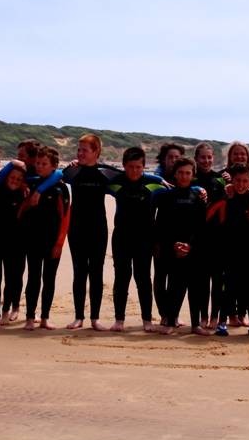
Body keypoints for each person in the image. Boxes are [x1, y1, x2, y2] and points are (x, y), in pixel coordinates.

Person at [60, 134, 117, 331]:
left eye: (85, 150)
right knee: (79, 272)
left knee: (96, 273)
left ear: (96, 152)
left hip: (98, 229)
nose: (80, 153)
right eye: (79, 149)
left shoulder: (105, 173)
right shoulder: (72, 172)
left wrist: (160, 179)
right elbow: (53, 175)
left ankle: (95, 318)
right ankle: (78, 317)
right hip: (76, 229)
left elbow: (135, 176)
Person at [107, 147, 166, 332]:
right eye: (131, 167)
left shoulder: (153, 183)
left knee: (143, 279)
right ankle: (119, 320)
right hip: (121, 238)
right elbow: (96, 176)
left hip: (144, 239)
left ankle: (147, 320)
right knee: (121, 278)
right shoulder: (116, 182)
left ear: (144, 166)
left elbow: (177, 189)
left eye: (138, 167)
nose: (134, 171)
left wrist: (197, 189)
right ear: (124, 166)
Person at [152, 157, 211, 335]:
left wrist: (190, 246)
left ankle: (195, 324)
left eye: (188, 173)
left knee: (195, 287)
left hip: (193, 248)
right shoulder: (166, 197)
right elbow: (161, 225)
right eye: (181, 173)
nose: (184, 176)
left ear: (193, 175)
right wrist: (172, 246)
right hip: (172, 248)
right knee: (175, 287)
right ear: (174, 174)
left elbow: (201, 226)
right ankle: (170, 321)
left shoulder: (198, 197)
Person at [207, 164, 249, 337]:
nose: (241, 184)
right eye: (238, 180)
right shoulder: (226, 198)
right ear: (231, 181)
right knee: (229, 288)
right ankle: (222, 323)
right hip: (228, 252)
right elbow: (209, 215)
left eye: (245, 181)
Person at [19, 146, 70, 330]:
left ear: (54, 166)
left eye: (44, 164)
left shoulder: (61, 188)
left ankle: (45, 318)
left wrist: (59, 243)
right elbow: (22, 211)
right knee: (33, 278)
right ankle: (30, 317)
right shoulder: (31, 184)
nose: (39, 166)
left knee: (49, 279)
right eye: (38, 163)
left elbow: (65, 218)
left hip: (52, 242)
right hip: (32, 240)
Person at [0, 160, 29, 327]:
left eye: (19, 179)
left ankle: (6, 311)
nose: (15, 181)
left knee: (12, 277)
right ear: (6, 177)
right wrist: (12, 163)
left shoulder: (25, 193)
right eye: (12, 177)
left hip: (16, 240)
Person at [194, 142, 227, 328]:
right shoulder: (192, 179)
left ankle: (215, 316)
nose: (206, 160)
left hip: (217, 237)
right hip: (199, 237)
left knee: (217, 280)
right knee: (201, 281)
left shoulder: (219, 180)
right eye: (202, 157)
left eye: (209, 157)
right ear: (196, 159)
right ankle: (203, 316)